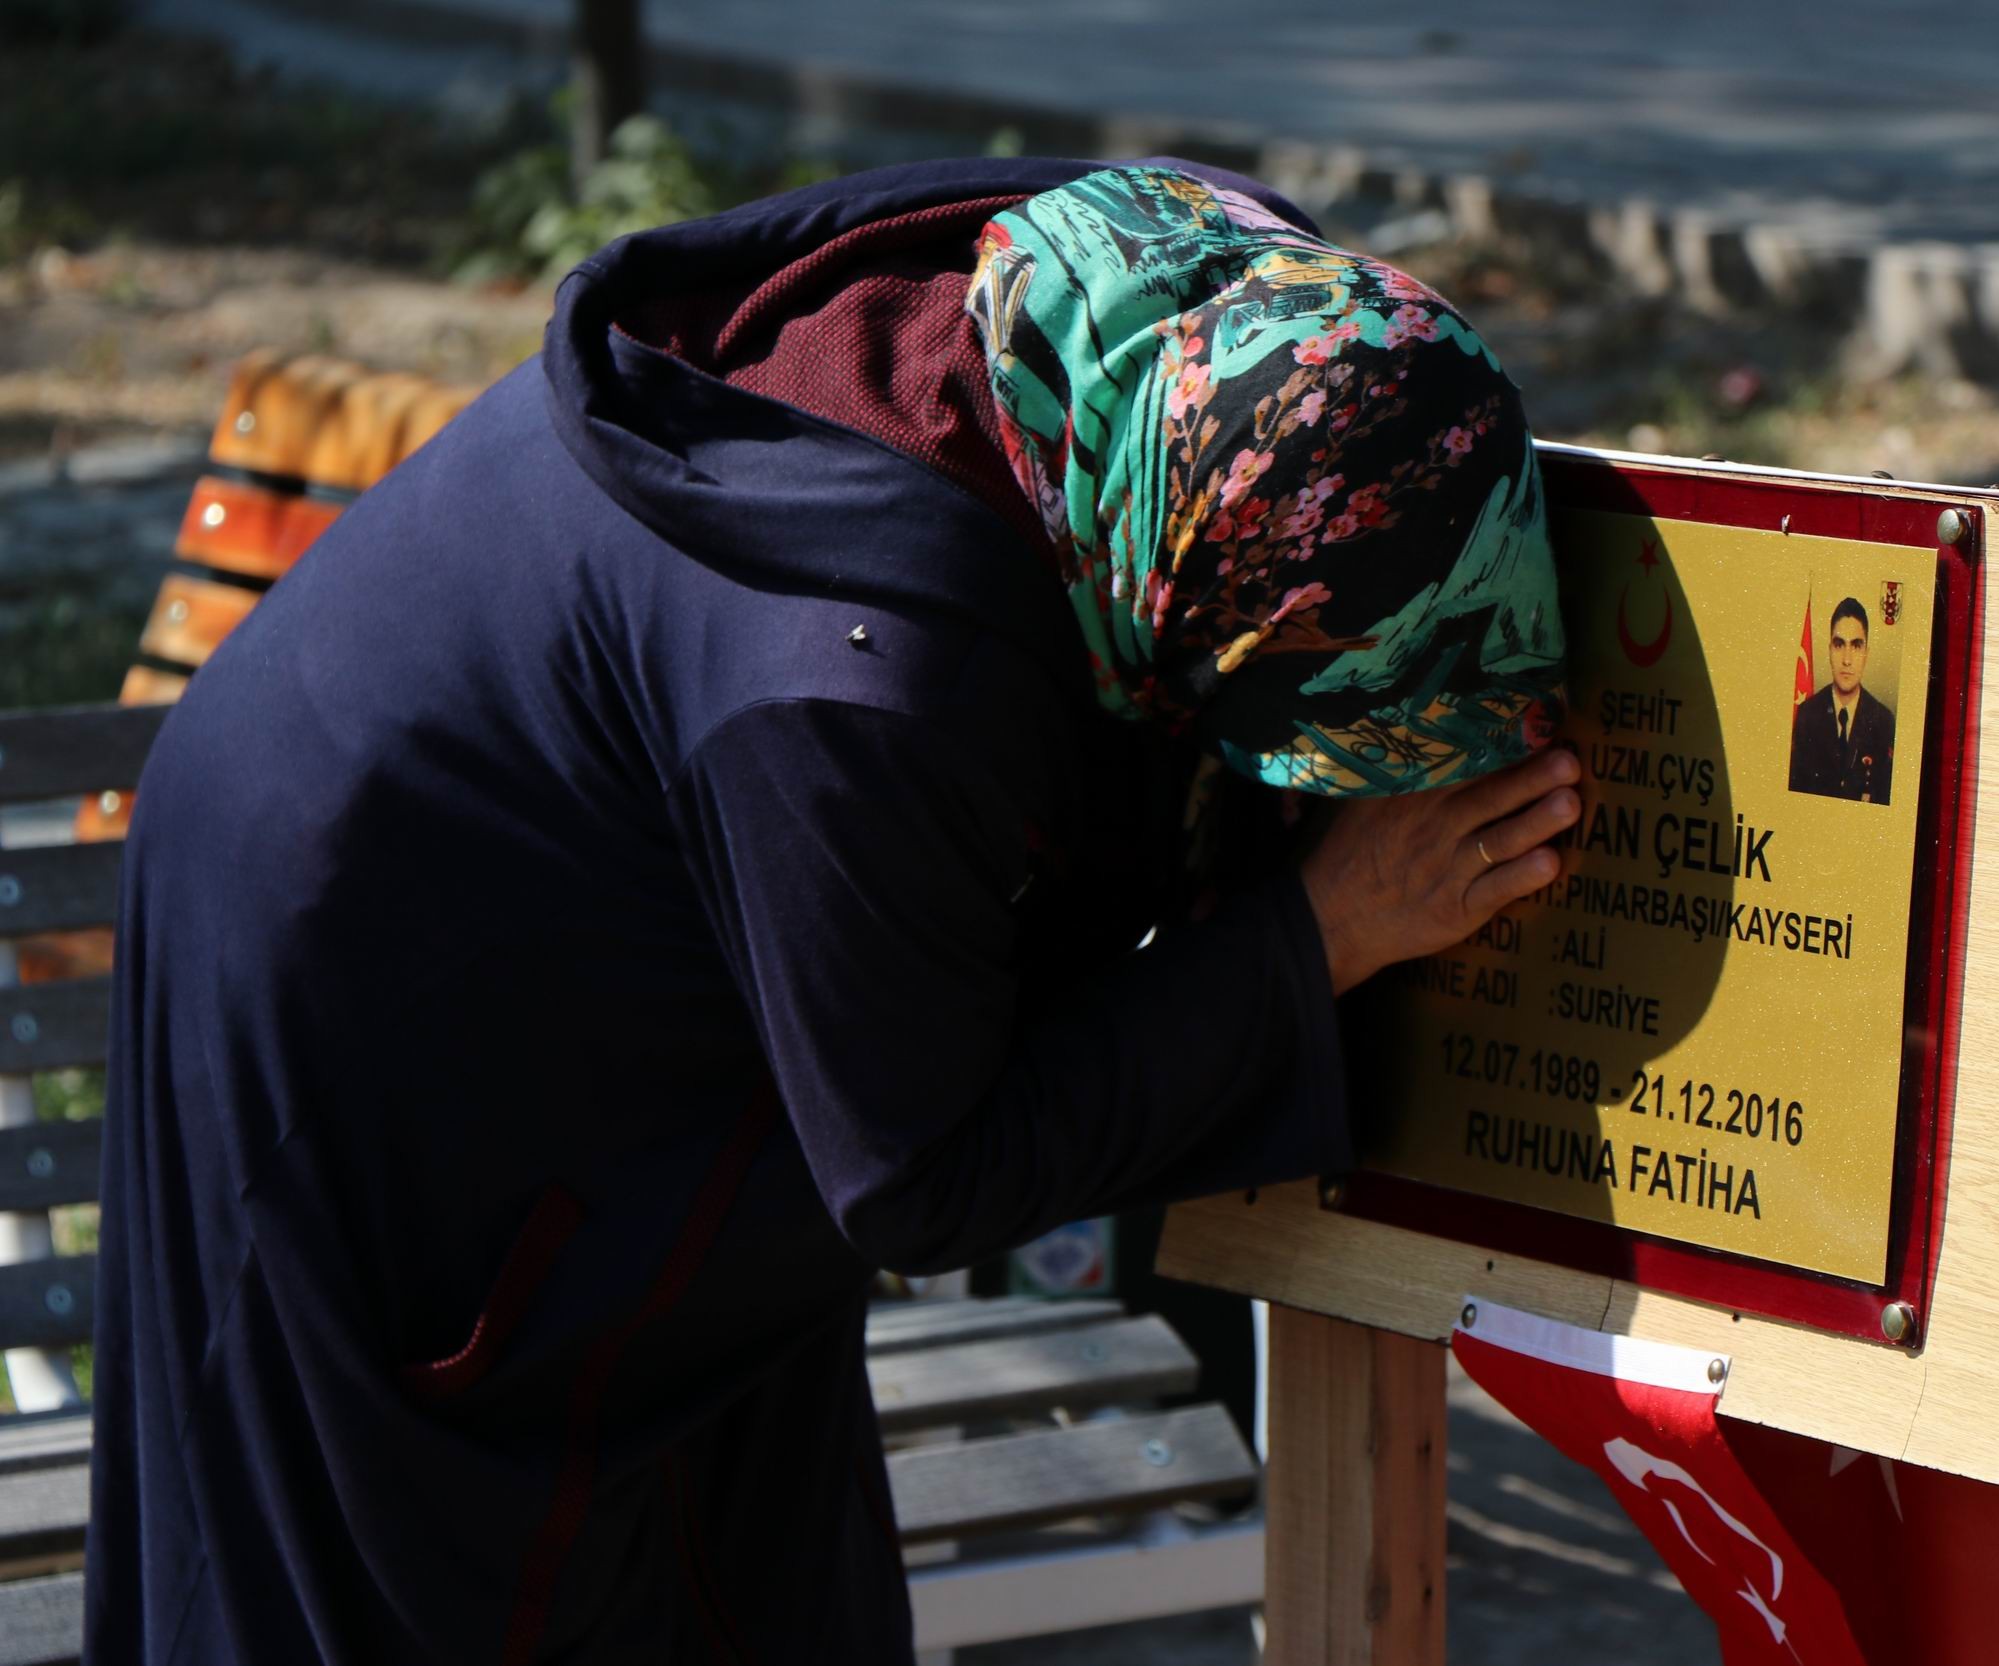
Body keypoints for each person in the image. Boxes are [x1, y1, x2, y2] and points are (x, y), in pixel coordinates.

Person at [82, 159, 1574, 1662]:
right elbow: (924, 1169)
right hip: (353, 970)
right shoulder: (857, 685)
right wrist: (1317, 936)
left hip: (652, 911)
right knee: (417, 1564)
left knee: (759, 1575)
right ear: (1182, 590)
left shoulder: (1204, 318)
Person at [1787, 596, 1894, 804]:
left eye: (1856, 645)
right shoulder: (1808, 715)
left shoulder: (1883, 721)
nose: (1846, 659)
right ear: (1829, 650)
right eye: (1839, 644)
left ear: (1866, 653)